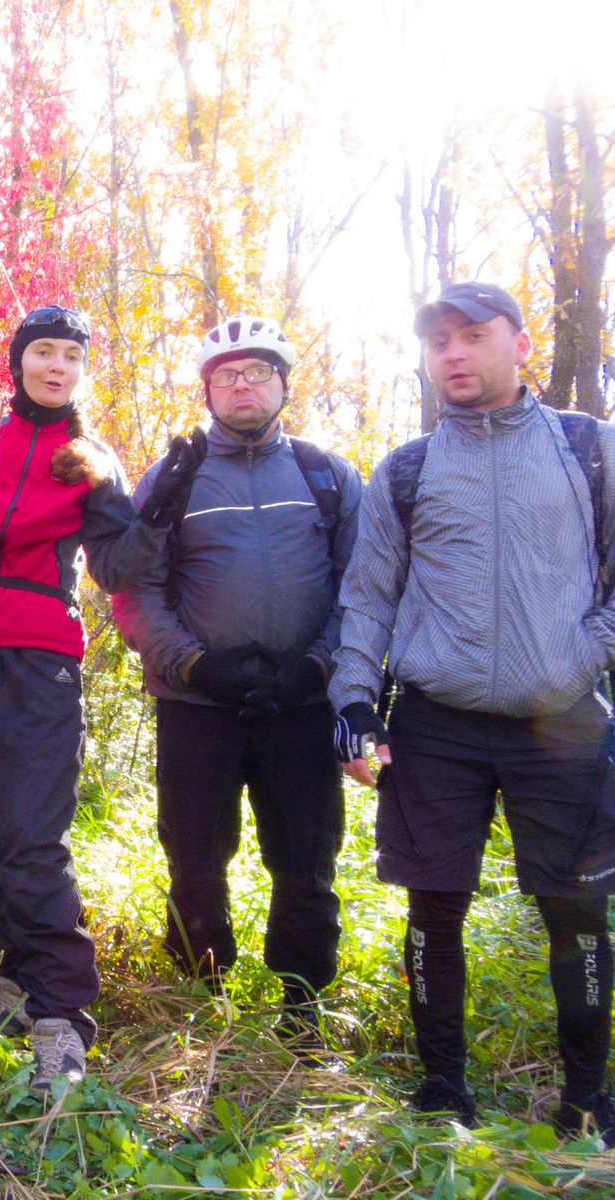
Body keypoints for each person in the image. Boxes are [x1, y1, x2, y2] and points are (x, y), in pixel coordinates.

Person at [332, 281, 615, 1139]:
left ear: (519, 344)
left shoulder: (589, 449)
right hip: (437, 722)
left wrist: (585, 654)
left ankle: (587, 1099)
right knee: (434, 906)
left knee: (576, 911)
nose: (453, 353)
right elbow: (369, 596)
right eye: (438, 341)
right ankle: (442, 1088)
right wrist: (354, 700)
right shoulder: (407, 469)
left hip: (561, 720)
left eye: (473, 335)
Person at [0, 306, 164, 1093]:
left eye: (71, 355)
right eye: (43, 351)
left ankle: (61, 1022)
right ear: (18, 362)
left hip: (41, 663)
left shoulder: (91, 459)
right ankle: (12, 986)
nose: (56, 366)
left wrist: (157, 515)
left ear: (82, 370)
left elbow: (116, 570)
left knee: (31, 839)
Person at [113, 315, 361, 1049]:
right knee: (193, 855)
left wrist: (318, 665)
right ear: (207, 391)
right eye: (227, 375)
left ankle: (302, 1008)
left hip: (301, 703)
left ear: (283, 384)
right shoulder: (175, 476)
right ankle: (199, 1002)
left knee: (306, 859)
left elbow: (363, 588)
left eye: (258, 372)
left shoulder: (326, 475)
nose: (243, 385)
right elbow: (134, 589)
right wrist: (193, 664)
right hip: (198, 704)